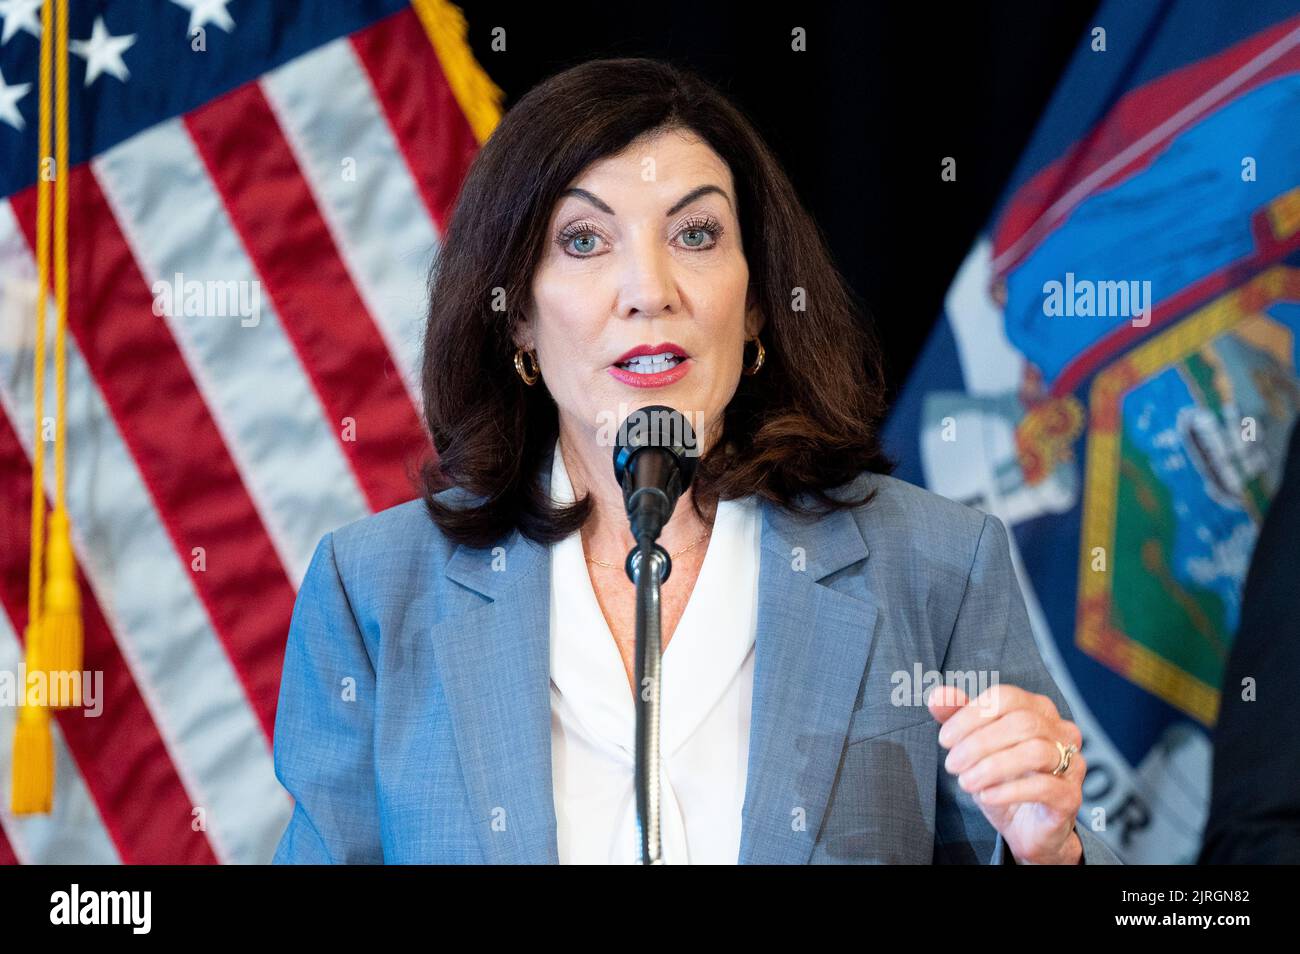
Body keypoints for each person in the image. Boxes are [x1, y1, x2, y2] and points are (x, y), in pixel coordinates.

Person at [271, 57, 1119, 865]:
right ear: (516, 318)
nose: (649, 288)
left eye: (696, 233)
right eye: (584, 240)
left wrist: (1051, 849)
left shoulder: (936, 565)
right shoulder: (373, 590)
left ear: (755, 304)